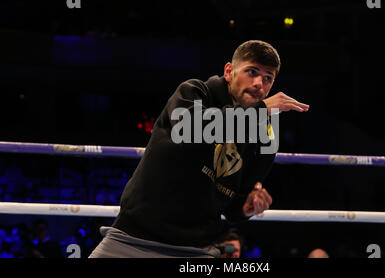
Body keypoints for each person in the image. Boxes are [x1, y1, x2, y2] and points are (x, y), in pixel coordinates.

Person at [89, 40, 309, 258]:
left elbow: (232, 206)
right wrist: (260, 110)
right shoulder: (194, 92)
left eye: (268, 78)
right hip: (132, 239)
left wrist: (248, 205)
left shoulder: (264, 133)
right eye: (252, 72)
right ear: (229, 72)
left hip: (195, 250)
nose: (259, 83)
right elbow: (190, 130)